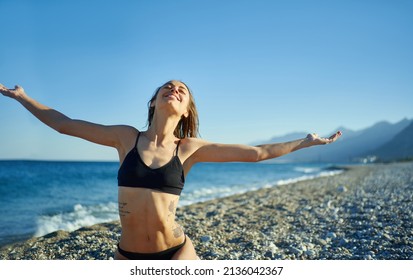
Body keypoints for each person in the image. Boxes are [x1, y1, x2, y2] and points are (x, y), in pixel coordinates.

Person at [0, 81, 342, 260]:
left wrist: (305, 142)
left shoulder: (189, 148)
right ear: (153, 102)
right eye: (168, 86)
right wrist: (23, 98)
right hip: (127, 253)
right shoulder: (125, 138)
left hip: (177, 250)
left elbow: (256, 153)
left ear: (186, 109)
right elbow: (65, 125)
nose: (173, 89)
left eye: (182, 90)